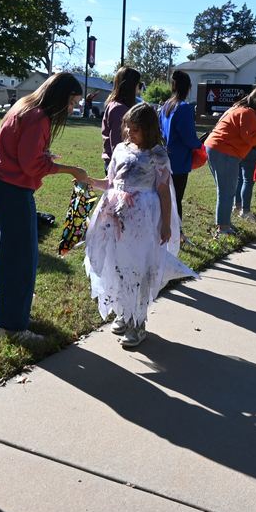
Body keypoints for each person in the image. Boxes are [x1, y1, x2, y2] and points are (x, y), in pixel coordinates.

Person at [0, 72, 89, 346]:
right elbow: (31, 166)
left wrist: (44, 155)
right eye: (71, 103)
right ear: (60, 96)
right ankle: (11, 327)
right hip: (13, 193)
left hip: (0, 188)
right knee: (22, 262)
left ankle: (4, 312)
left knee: (11, 258)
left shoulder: (24, 106)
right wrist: (70, 169)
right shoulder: (38, 117)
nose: (71, 109)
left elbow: (23, 154)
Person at [85, 104, 195, 348]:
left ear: (149, 129)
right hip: (116, 218)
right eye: (127, 127)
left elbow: (164, 192)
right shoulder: (120, 149)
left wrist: (165, 224)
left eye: (135, 129)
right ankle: (123, 313)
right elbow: (111, 182)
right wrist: (91, 182)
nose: (129, 132)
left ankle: (138, 322)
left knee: (139, 266)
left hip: (143, 218)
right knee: (118, 263)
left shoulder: (157, 155)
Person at [204, 86, 256, 237]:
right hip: (224, 151)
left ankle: (224, 224)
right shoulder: (248, 113)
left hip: (214, 148)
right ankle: (223, 228)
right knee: (227, 191)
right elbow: (252, 138)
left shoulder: (237, 108)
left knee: (225, 191)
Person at [158, 70, 200, 241]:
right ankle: (178, 235)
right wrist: (199, 145)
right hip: (179, 162)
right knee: (176, 200)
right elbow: (189, 137)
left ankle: (168, 231)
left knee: (165, 198)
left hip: (165, 159)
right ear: (188, 88)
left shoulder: (165, 106)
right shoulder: (184, 108)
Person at [101, 67, 141, 173]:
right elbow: (117, 141)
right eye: (138, 84)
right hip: (119, 164)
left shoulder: (117, 105)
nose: (139, 88)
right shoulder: (119, 109)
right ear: (131, 85)